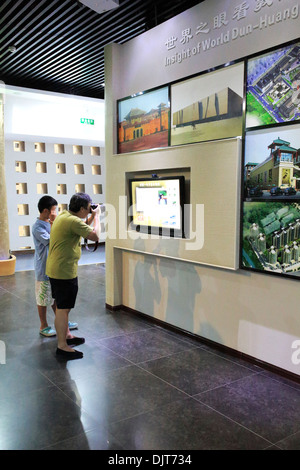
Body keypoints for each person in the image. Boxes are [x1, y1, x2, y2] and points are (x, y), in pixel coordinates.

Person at [46, 193, 100, 359]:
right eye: (89, 207)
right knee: (63, 309)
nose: (90, 209)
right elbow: (95, 235)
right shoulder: (73, 221)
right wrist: (97, 216)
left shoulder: (65, 215)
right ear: (83, 208)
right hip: (63, 271)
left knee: (63, 307)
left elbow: (82, 227)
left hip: (57, 269)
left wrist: (90, 215)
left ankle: (67, 336)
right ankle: (62, 346)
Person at [32, 196, 79, 337]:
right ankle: (43, 325)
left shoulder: (50, 223)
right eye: (54, 210)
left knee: (56, 297)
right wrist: (54, 223)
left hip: (54, 268)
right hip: (43, 268)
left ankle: (62, 320)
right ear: (46, 211)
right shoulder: (38, 227)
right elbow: (52, 241)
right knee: (43, 298)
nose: (56, 212)